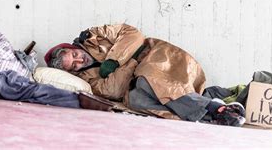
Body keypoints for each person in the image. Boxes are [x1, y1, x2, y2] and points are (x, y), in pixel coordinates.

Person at [44, 23, 245, 126]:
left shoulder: (95, 35)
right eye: (74, 66)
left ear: (73, 48)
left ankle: (214, 108)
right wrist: (131, 61)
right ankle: (207, 114)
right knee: (136, 98)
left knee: (148, 78)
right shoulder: (87, 79)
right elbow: (113, 89)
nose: (80, 61)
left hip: (158, 58)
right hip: (138, 81)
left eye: (75, 55)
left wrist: (114, 60)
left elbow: (133, 35)